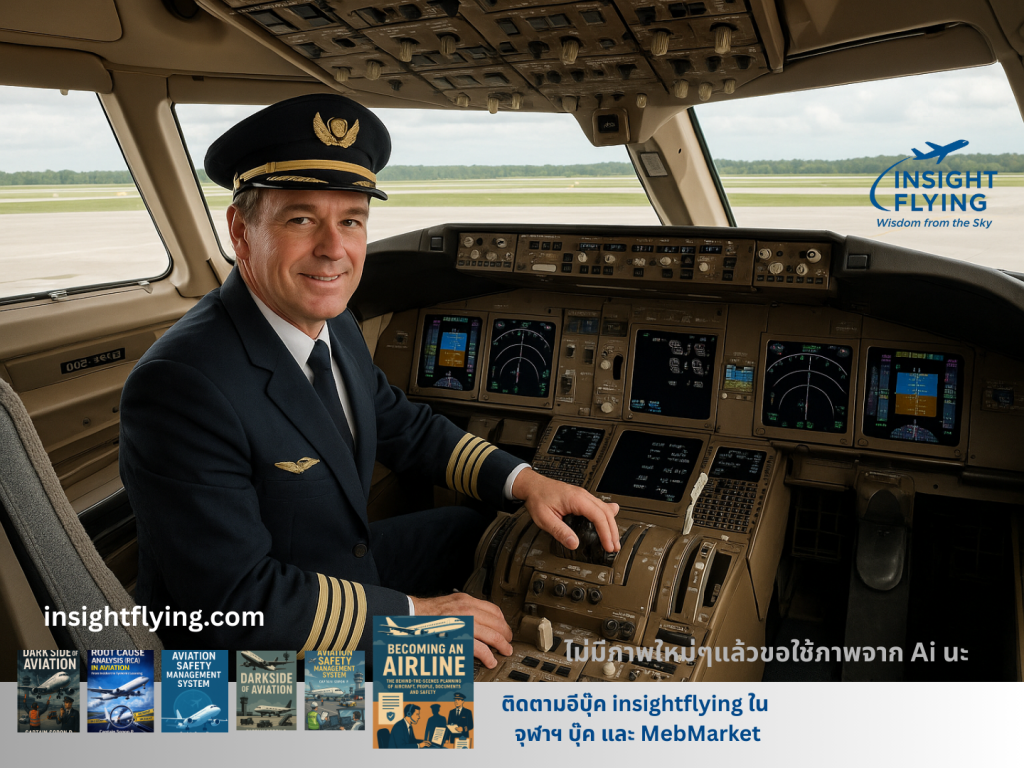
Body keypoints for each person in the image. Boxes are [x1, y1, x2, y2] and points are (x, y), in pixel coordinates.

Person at [119, 93, 619, 664]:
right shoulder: (181, 385)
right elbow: (235, 601)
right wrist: (415, 617)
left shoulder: (332, 321)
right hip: (248, 651)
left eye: (351, 220)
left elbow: (403, 425)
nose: (333, 250)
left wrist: (526, 481)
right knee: (453, 699)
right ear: (240, 230)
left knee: (472, 529)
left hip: (335, 562)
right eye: (302, 219)